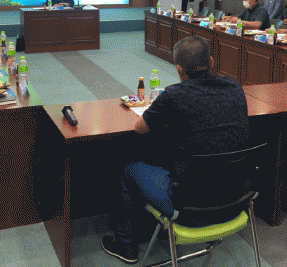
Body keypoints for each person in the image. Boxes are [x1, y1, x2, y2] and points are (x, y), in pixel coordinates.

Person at [101, 36, 251, 264]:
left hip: (189, 206)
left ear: (179, 69)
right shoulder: (234, 87)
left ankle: (126, 246)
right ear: (211, 61)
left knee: (130, 170)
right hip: (237, 197)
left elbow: (139, 128)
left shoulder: (173, 94)